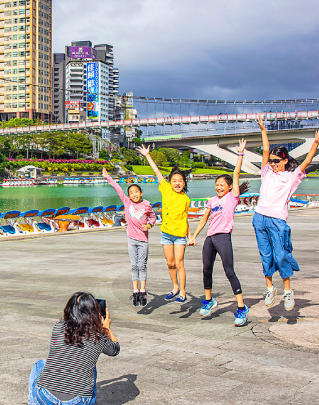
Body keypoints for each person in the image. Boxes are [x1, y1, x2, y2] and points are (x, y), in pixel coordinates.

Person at [253, 116, 319, 310]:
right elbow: (266, 149)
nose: (272, 164)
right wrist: (263, 130)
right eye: (270, 161)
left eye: (276, 161)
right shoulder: (266, 172)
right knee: (265, 256)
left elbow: (307, 160)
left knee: (281, 256)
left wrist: (316, 142)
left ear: (285, 160)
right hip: (259, 218)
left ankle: (287, 292)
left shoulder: (291, 178)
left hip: (277, 220)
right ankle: (269, 288)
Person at [18, 292, 119, 405]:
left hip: (45, 400)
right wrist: (106, 329)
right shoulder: (98, 337)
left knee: (40, 364)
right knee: (90, 366)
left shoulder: (58, 328)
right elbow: (115, 350)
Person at [187, 139, 251, 326]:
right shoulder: (213, 200)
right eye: (217, 184)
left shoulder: (232, 198)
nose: (219, 186)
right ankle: (209, 301)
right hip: (210, 238)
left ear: (230, 187)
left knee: (229, 271)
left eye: (222, 184)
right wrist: (193, 236)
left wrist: (240, 154)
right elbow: (204, 219)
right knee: (206, 270)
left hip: (223, 237)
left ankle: (241, 308)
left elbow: (236, 173)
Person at [137, 145, 192, 303]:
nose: (177, 183)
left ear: (184, 183)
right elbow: (156, 172)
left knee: (179, 263)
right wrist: (147, 156)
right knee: (170, 263)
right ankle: (175, 287)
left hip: (180, 235)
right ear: (170, 182)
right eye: (174, 181)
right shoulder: (166, 190)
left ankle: (182, 291)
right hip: (166, 234)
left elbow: (185, 218)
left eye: (180, 181)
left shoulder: (185, 199)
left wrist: (190, 236)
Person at [102, 167, 157, 307]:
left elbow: (153, 217)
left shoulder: (147, 204)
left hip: (143, 240)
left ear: (141, 193)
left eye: (136, 192)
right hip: (131, 239)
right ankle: (135, 291)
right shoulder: (127, 202)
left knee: (142, 266)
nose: (134, 195)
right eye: (131, 193)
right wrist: (107, 177)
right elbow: (117, 188)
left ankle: (143, 291)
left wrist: (149, 225)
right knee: (134, 266)